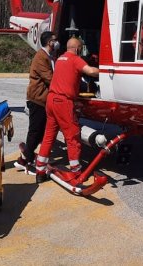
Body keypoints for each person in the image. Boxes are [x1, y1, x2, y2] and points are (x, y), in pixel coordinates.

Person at [34, 37, 99, 183]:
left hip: (51, 100)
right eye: (81, 49)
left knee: (49, 135)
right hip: (64, 102)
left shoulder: (60, 59)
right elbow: (90, 71)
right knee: (72, 135)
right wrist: (104, 71)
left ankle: (40, 170)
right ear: (77, 49)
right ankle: (76, 170)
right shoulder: (75, 59)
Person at [15, 31, 58, 175]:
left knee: (41, 132)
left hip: (44, 100)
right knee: (35, 132)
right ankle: (23, 161)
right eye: (54, 40)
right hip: (37, 100)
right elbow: (50, 78)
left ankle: (31, 157)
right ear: (48, 42)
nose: (56, 42)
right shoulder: (41, 57)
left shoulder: (50, 56)